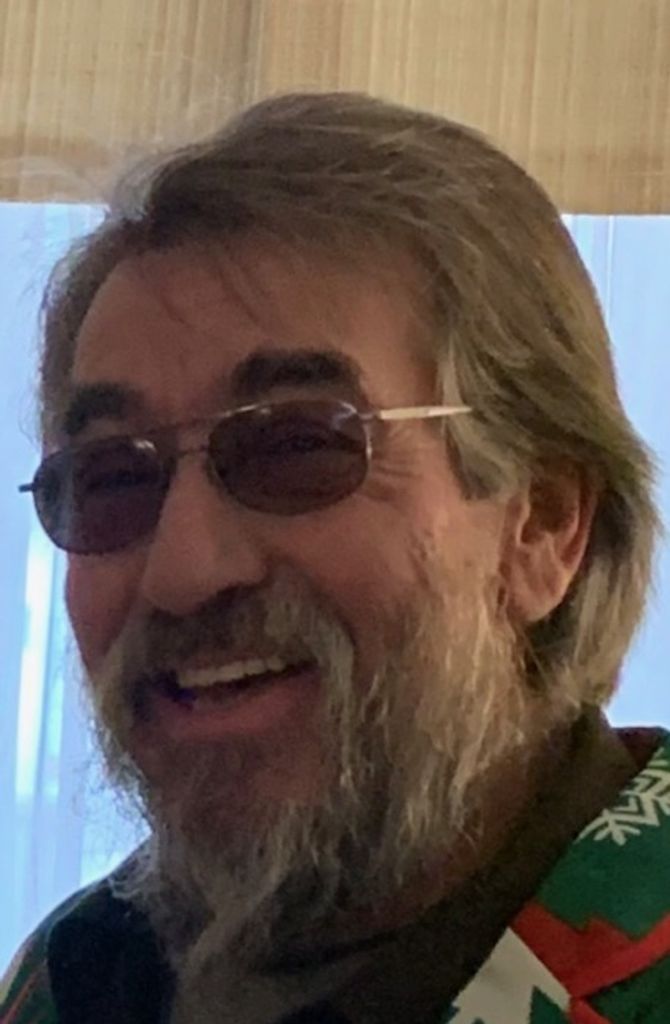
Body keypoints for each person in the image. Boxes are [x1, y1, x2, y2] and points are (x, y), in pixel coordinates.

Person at [2, 91, 668, 1024]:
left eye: (298, 447)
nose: (182, 572)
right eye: (112, 476)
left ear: (543, 526)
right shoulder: (67, 981)